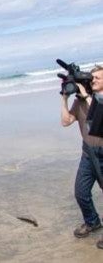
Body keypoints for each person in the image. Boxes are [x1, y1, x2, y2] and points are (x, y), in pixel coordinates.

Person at [61, 65, 103, 249]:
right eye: (91, 77)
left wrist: (86, 96)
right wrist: (64, 98)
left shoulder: (95, 101)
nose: (93, 80)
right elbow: (66, 122)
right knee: (81, 192)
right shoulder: (80, 102)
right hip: (88, 153)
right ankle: (92, 222)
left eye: (98, 78)